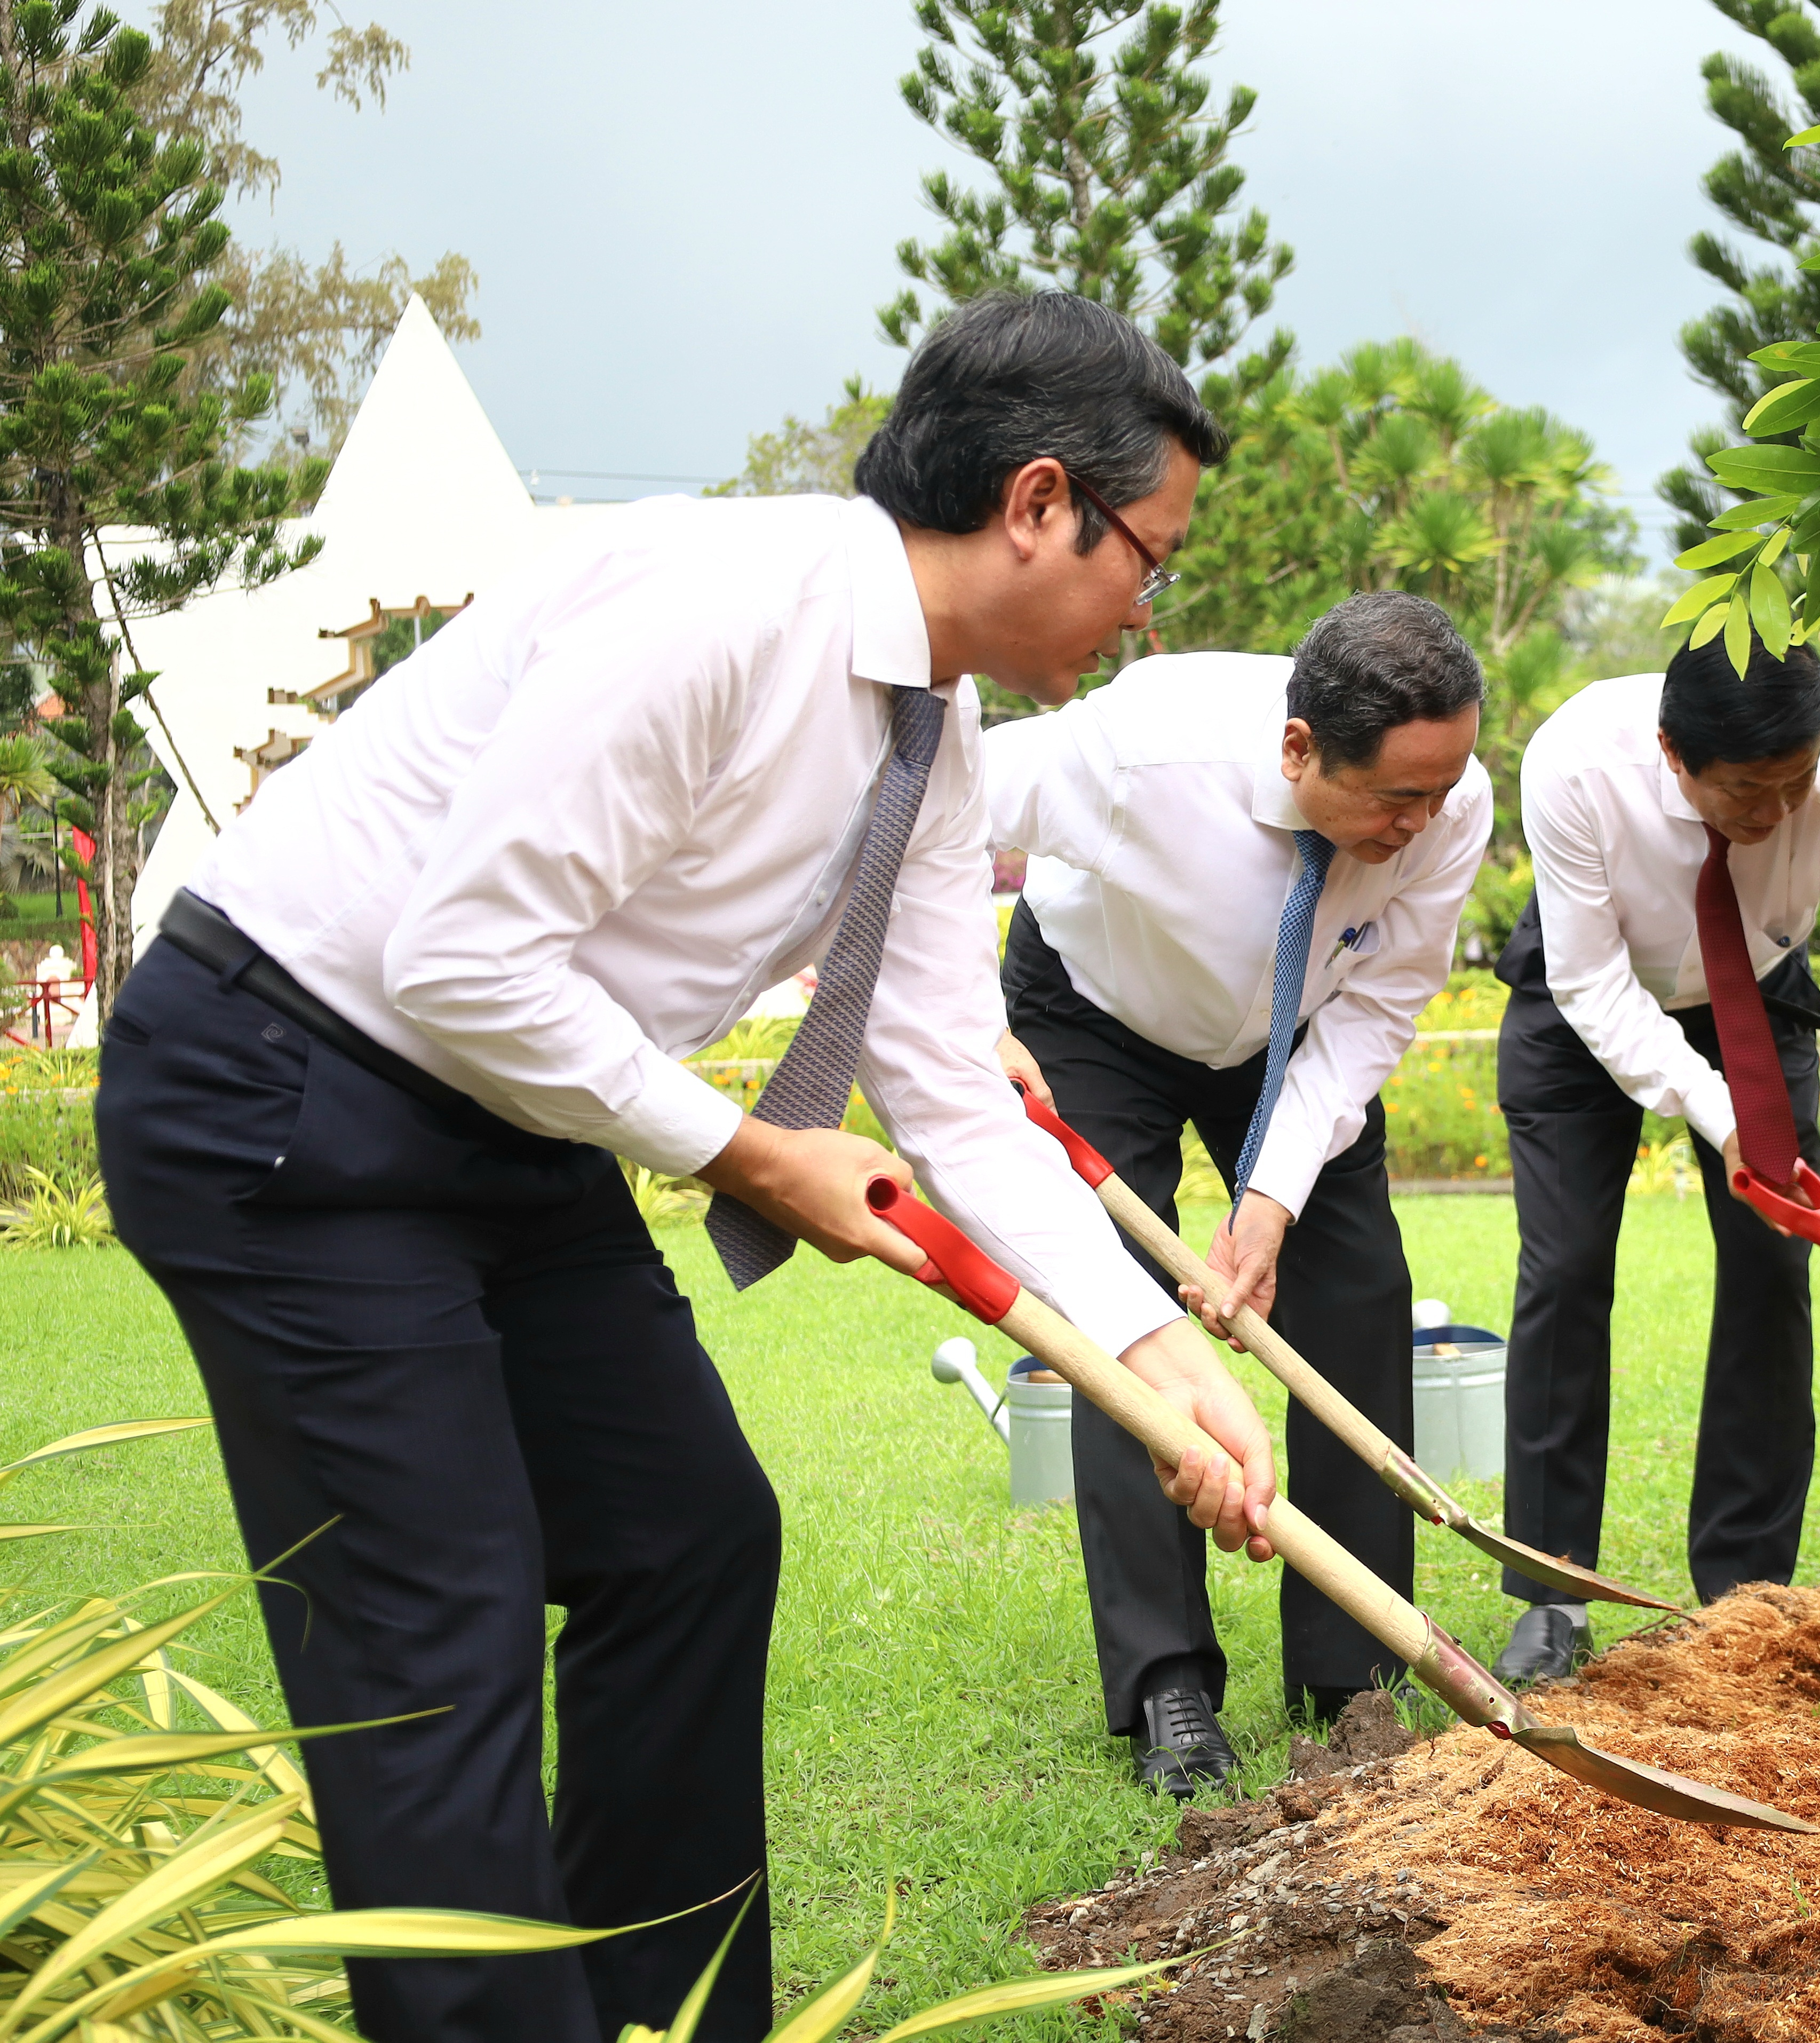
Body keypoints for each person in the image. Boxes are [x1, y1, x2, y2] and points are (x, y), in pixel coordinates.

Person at [91, 292, 1279, 2043]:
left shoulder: (929, 733)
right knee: (443, 1623)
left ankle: (672, 2019)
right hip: (291, 1084)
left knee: (688, 1535)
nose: (1144, 607)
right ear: (1039, 502)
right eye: (1147, 558)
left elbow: (948, 1086)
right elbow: (461, 960)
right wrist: (748, 1151)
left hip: (509, 1114)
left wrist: (1167, 1358)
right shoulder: (730, 605)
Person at [984, 592, 1488, 1794]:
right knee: (1121, 1321)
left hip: (1298, 1031)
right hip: (1097, 1015)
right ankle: (1168, 1684)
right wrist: (958, 1013)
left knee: (1358, 1291)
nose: (1424, 825)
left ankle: (1354, 1674)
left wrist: (1267, 1196)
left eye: (1442, 793)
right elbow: (927, 811)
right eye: (1395, 801)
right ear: (1298, 748)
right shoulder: (1138, 747)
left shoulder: (1447, 797)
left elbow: (1379, 1004)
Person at [1485, 636, 1820, 1686]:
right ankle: (1551, 1590)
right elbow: (1590, 986)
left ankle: (1747, 1597)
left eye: (1793, 785)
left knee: (1768, 1278)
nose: (1774, 815)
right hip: (1590, 1005)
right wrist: (1732, 1128)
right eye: (1747, 794)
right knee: (1566, 1271)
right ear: (1673, 753)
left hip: (1755, 999)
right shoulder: (1575, 760)